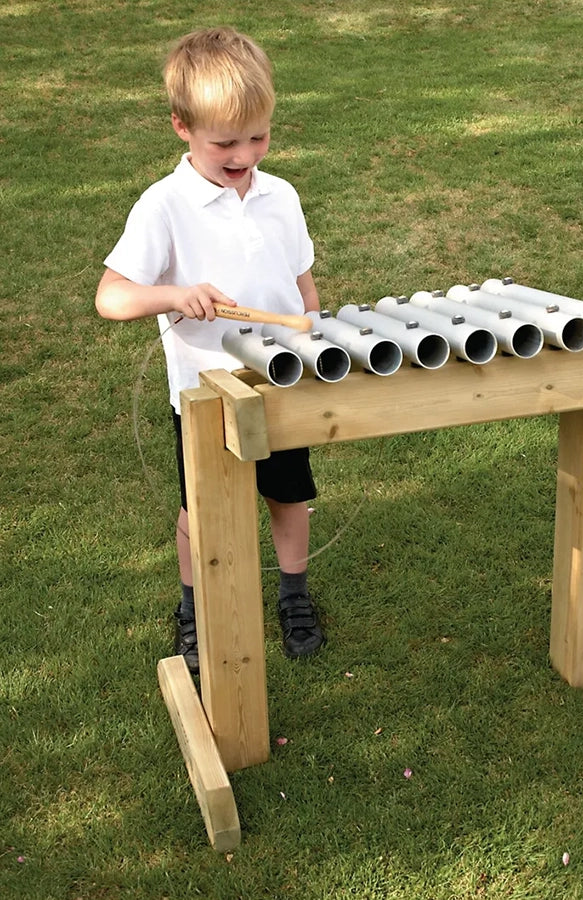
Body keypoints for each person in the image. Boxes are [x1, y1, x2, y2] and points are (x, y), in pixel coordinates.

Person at [96, 27, 325, 674]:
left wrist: (315, 328)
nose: (245, 154)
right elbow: (110, 297)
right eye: (226, 142)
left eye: (259, 137)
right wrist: (172, 294)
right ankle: (194, 611)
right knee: (201, 508)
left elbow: (302, 282)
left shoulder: (281, 196)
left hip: (281, 382)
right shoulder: (164, 205)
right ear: (181, 127)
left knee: (288, 494)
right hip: (204, 394)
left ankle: (294, 597)